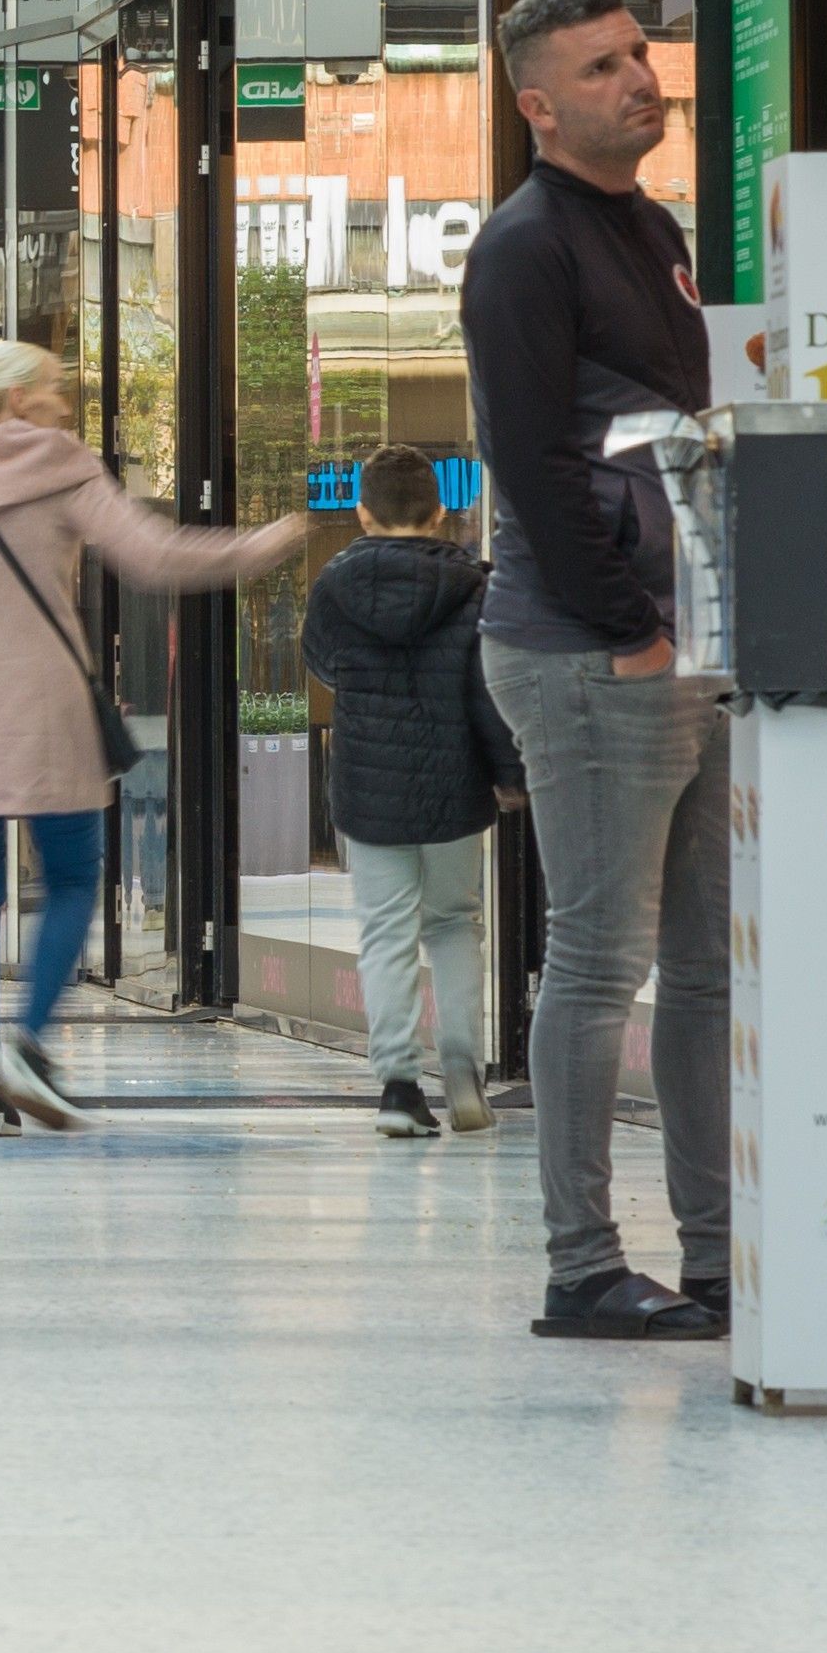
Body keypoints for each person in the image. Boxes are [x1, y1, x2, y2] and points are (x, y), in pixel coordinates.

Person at [459, 0, 724, 1341]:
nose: (640, 78)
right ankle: (580, 1261)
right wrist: (631, 627)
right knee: (598, 959)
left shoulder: (651, 223)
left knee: (706, 962)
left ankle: (719, 1248)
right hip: (588, 652)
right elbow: (527, 457)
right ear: (538, 103)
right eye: (606, 65)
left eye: (641, 54)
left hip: (682, 640)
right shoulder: (524, 245)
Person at [0, 329, 300, 1137]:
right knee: (72, 877)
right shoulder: (63, 465)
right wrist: (258, 546)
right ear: (21, 399)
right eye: (58, 390)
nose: (67, 404)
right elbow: (154, 556)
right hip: (44, 707)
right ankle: (27, 1043)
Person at [301, 446, 513, 1145]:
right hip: (456, 782)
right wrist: (510, 775)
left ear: (363, 512)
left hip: (367, 784)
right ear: (441, 511)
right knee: (454, 923)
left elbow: (324, 665)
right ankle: (461, 1068)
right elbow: (489, 692)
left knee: (385, 930)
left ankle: (397, 1084)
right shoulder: (476, 588)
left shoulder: (334, 584)